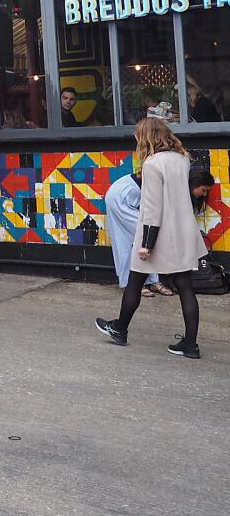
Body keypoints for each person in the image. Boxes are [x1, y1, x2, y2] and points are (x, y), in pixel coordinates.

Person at [95, 119, 205, 359]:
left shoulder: (152, 165)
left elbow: (153, 208)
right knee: (186, 287)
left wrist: (146, 244)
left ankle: (120, 329)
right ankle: (190, 344)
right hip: (183, 232)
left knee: (135, 282)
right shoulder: (182, 158)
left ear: (145, 138)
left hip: (158, 235)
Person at [104, 171, 159, 295]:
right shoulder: (152, 176)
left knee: (126, 242)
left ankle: (137, 282)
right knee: (143, 237)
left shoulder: (144, 175)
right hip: (120, 202)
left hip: (117, 198)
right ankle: (147, 282)